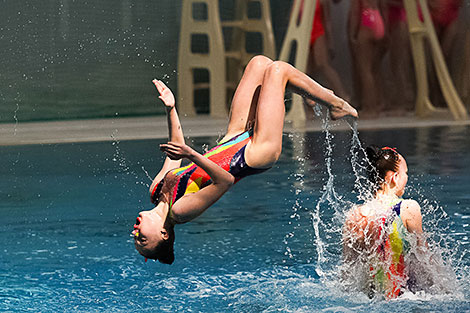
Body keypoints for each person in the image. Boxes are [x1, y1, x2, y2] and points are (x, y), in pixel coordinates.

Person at [132, 55, 357, 264]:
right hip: (254, 155)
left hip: (232, 140)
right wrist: (192, 154)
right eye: (142, 240)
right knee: (278, 71)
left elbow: (175, 150)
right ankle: (335, 104)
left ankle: (313, 92)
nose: (135, 233)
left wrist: (170, 108)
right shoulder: (180, 211)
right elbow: (225, 181)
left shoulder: (155, 191)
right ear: (164, 234)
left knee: (259, 63)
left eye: (136, 239)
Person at [342, 145, 426, 298]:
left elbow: (347, 271)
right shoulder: (408, 208)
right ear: (394, 177)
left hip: (369, 298)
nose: (407, 177)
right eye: (405, 173)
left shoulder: (354, 215)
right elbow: (426, 258)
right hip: (404, 297)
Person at [348, 0, 386, 117]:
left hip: (366, 20)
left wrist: (352, 34)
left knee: (365, 71)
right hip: (378, 18)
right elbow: (383, 7)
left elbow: (355, 12)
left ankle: (370, 108)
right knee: (374, 69)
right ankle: (378, 104)